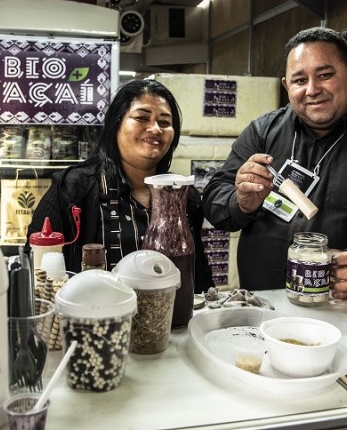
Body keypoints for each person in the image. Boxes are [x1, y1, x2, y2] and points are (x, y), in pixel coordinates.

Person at [201, 27, 347, 300]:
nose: (312, 90)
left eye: (325, 75)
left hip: (345, 306)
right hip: (263, 302)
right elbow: (214, 197)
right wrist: (241, 202)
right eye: (299, 80)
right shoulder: (263, 132)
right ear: (286, 86)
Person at [26, 79, 215, 292]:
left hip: (171, 322)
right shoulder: (74, 187)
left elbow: (198, 272)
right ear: (116, 124)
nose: (155, 128)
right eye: (142, 117)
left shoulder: (183, 196)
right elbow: (34, 269)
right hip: (95, 319)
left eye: (164, 122)